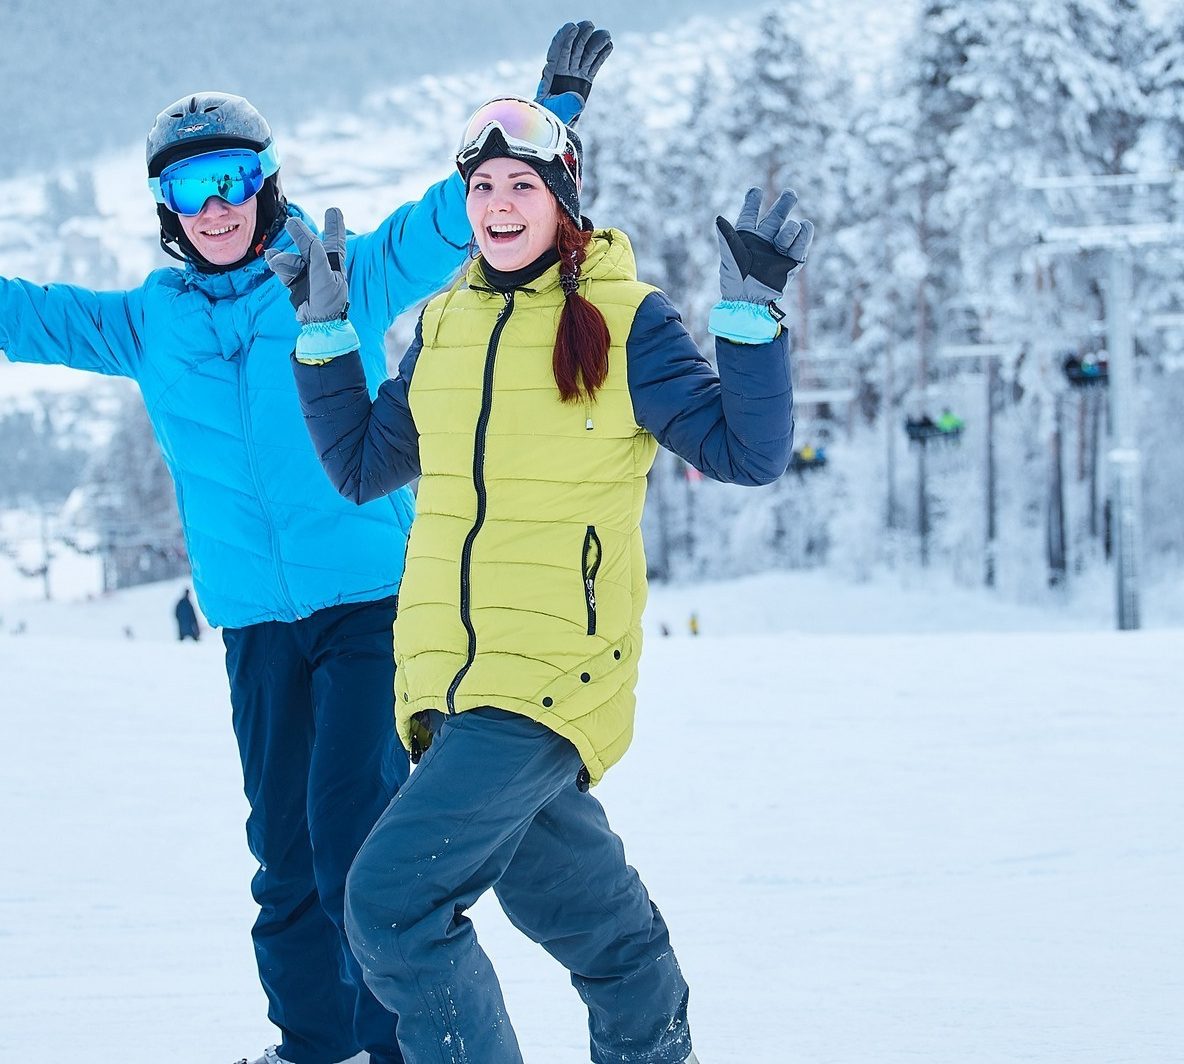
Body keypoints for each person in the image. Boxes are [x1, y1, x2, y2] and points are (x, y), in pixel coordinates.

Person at [0, 24, 611, 1064]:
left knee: (352, 843)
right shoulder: (144, 325)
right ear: (167, 209)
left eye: (234, 179)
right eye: (192, 187)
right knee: (282, 858)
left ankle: (398, 1047)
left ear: (267, 185)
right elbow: (0, 311)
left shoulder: (337, 278)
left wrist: (545, 114)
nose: (215, 207)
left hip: (369, 606)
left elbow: (449, 216)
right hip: (254, 624)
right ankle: (312, 1044)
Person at [270, 93, 808, 1064]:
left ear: (563, 198)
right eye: (482, 186)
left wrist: (751, 318)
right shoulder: (442, 326)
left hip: (547, 674)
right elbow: (359, 465)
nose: (499, 204)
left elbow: (745, 451)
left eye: (522, 183)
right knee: (606, 938)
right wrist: (323, 333)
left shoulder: (625, 319)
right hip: (448, 693)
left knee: (390, 906)